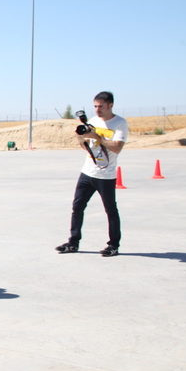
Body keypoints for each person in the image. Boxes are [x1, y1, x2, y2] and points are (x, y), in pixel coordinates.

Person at [56, 91, 129, 257]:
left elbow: (117, 147)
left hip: (106, 175)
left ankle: (113, 245)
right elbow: (85, 146)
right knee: (77, 207)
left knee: (110, 210)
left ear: (110, 105)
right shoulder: (93, 121)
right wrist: (80, 138)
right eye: (95, 106)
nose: (97, 109)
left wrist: (98, 136)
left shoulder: (119, 123)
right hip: (87, 172)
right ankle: (73, 242)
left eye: (101, 106)